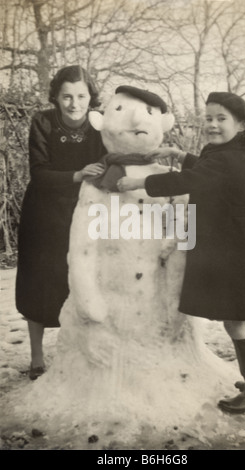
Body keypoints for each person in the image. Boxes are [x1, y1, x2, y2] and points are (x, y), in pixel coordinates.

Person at [117, 91, 245, 414]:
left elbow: (193, 179)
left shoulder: (226, 160)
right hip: (240, 244)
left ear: (242, 124)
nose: (213, 125)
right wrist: (179, 154)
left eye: (222, 119)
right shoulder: (237, 153)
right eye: (209, 118)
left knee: (236, 321)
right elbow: (206, 169)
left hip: (231, 249)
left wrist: (136, 183)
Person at [16, 65, 107, 380]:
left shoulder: (99, 125)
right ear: (55, 97)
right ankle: (37, 356)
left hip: (84, 210)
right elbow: (38, 172)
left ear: (90, 97)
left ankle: (80, 352)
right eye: (66, 96)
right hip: (43, 211)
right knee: (39, 283)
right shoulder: (42, 122)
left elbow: (112, 161)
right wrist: (78, 174)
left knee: (83, 280)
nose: (73, 103)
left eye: (81, 96)